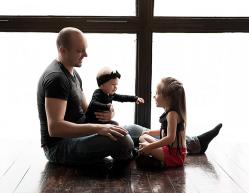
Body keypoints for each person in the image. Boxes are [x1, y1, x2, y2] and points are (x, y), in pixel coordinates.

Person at [37, 27, 222, 169]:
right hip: (59, 147)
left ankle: (194, 143)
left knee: (134, 129)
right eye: (80, 51)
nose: (85, 54)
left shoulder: (72, 73)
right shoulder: (56, 79)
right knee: (123, 140)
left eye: (85, 49)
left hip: (83, 132)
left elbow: (87, 110)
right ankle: (139, 155)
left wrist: (107, 117)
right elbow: (55, 128)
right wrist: (99, 129)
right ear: (62, 51)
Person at [137, 77, 222, 169]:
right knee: (143, 137)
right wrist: (150, 133)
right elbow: (166, 131)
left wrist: (150, 147)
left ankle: (158, 162)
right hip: (168, 150)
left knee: (143, 149)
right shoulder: (170, 113)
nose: (154, 96)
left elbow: (170, 138)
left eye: (157, 93)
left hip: (174, 156)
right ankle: (154, 158)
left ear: (168, 98)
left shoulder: (172, 114)